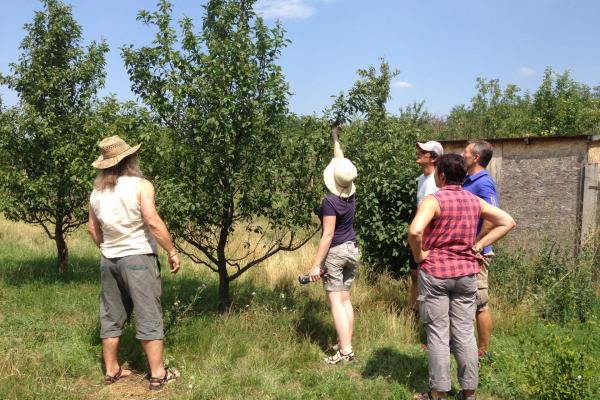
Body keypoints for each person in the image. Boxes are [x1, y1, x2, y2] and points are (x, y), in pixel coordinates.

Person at [408, 154, 515, 400]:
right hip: (466, 274)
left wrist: (420, 255)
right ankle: (469, 394)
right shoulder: (474, 200)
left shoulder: (432, 200)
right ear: (463, 176)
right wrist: (478, 246)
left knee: (437, 333)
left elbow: (414, 230)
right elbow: (507, 221)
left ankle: (438, 393)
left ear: (441, 175)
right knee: (465, 332)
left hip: (436, 273)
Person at [87, 135, 181, 390]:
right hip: (138, 257)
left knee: (111, 315)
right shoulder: (141, 185)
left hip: (109, 260)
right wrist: (171, 251)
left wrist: (108, 248)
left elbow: (92, 229)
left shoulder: (96, 192)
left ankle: (111, 370)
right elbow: (152, 220)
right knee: (148, 312)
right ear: (130, 159)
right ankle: (158, 374)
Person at [307, 125, 359, 364]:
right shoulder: (350, 195)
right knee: (345, 299)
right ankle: (345, 343)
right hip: (352, 250)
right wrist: (335, 138)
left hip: (336, 252)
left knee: (335, 301)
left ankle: (345, 351)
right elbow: (341, 165)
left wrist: (316, 265)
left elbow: (327, 235)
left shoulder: (329, 202)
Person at [462, 140, 498, 358]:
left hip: (478, 253)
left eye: (465, 152)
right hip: (468, 251)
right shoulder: (469, 180)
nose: (462, 154)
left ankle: (482, 351)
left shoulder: (484, 183)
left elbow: (493, 218)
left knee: (480, 302)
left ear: (476, 158)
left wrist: (476, 242)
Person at [409, 141, 443, 314]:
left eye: (424, 151)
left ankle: (427, 318)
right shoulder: (422, 179)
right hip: (420, 235)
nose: (419, 153)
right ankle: (413, 312)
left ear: (434, 158)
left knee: (427, 277)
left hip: (431, 238)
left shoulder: (437, 181)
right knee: (414, 274)